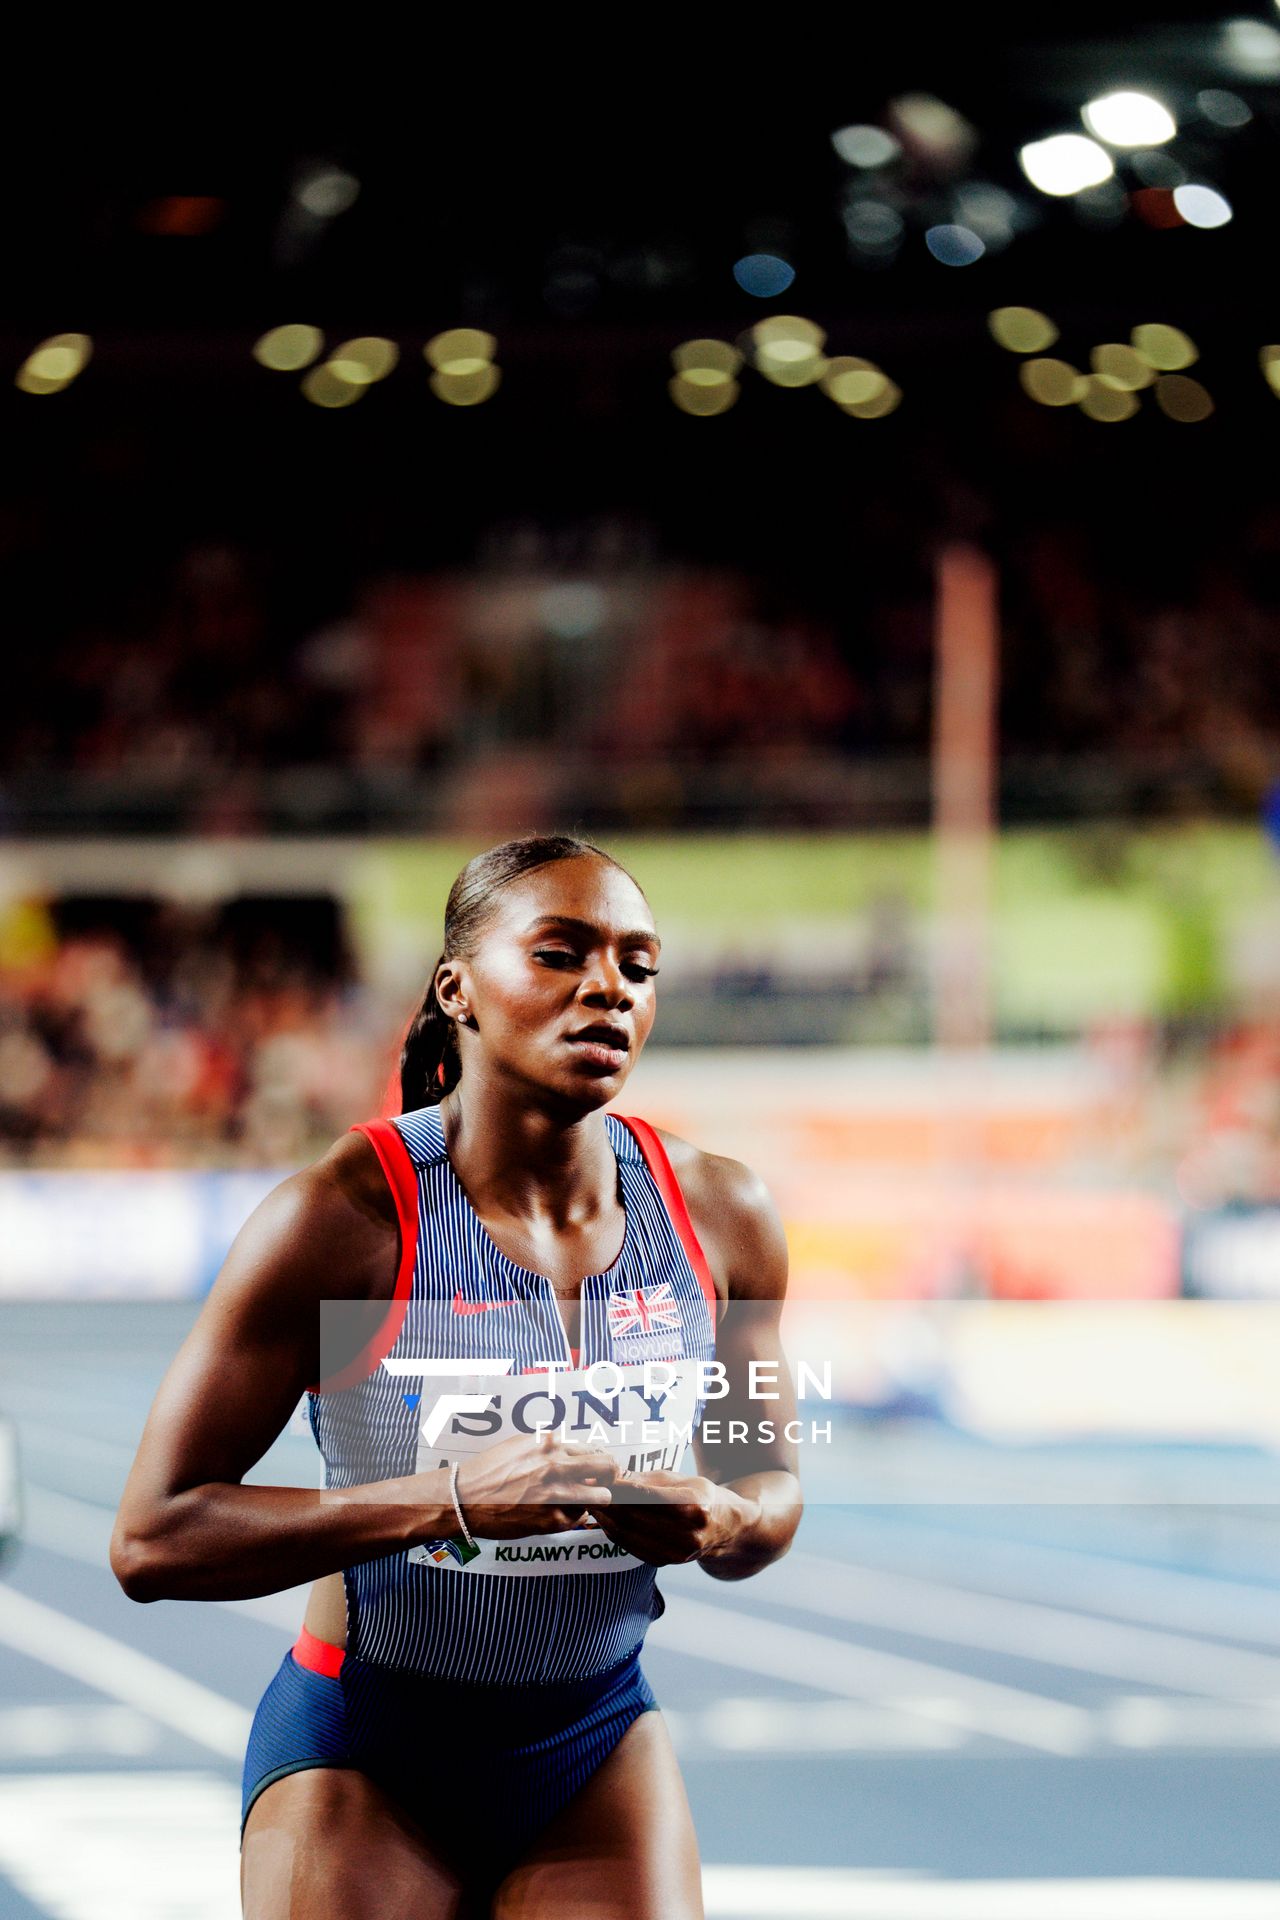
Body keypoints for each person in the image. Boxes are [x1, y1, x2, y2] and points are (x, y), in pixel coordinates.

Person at [111, 832, 802, 1918]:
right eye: (560, 953)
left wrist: (720, 1519)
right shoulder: (342, 1220)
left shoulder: (721, 1215)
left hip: (594, 1740)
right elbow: (154, 1539)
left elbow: (771, 1491)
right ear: (456, 989)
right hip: (369, 1749)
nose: (608, 988)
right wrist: (452, 1501)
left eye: (637, 965)